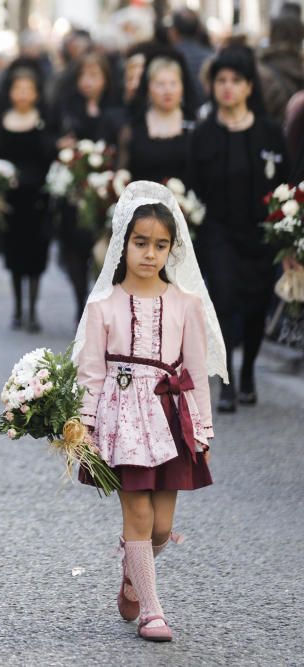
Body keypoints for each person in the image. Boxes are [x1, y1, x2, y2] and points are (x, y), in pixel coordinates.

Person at [74, 180, 225, 642]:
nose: (150, 254)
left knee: (161, 528)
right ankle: (152, 612)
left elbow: (196, 373)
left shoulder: (186, 304)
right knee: (137, 518)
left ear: (172, 250)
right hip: (121, 424)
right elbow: (90, 374)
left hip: (169, 422)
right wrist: (84, 426)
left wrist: (204, 431)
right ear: (124, 243)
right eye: (141, 243)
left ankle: (131, 572)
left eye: (161, 245)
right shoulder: (103, 305)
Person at [188, 45, 288, 413]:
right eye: (221, 81)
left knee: (257, 305)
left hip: (261, 234)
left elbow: (286, 185)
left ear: (249, 87)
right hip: (218, 232)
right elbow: (192, 185)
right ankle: (227, 379)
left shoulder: (270, 133)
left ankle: (248, 371)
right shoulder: (203, 134)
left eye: (235, 81)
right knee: (224, 300)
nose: (227, 88)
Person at [55, 52, 125, 320]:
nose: (88, 82)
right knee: (74, 248)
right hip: (74, 191)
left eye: (94, 76)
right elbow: (54, 136)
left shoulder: (116, 109)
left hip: (104, 192)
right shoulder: (68, 107)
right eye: (84, 76)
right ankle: (79, 300)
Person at [0, 59, 55, 332]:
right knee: (15, 255)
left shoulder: (43, 121)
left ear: (37, 93)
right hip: (11, 200)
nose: (23, 94)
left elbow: (49, 156)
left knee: (36, 256)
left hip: (37, 199)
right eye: (18, 88)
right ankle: (17, 308)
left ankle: (33, 308)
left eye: (28, 89)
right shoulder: (1, 121)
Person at [118, 52, 197, 183]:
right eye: (160, 84)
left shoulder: (195, 125)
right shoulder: (133, 128)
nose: (168, 91)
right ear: (148, 87)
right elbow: (122, 175)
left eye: (173, 83)